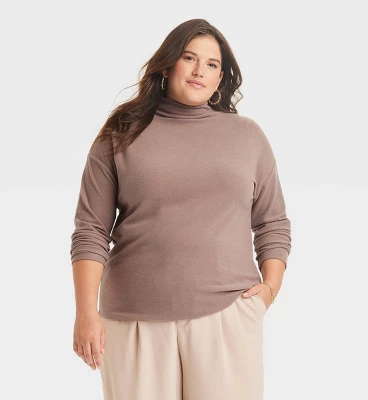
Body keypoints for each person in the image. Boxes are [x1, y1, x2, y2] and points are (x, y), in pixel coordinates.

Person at [70, 18, 292, 400]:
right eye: (189, 58)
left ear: (221, 77)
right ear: (168, 64)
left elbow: (272, 223)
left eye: (211, 64)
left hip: (227, 315)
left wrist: (269, 290)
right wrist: (85, 313)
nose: (199, 70)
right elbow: (91, 230)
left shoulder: (248, 137)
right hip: (133, 320)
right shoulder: (121, 133)